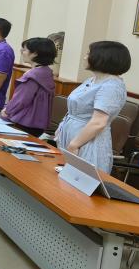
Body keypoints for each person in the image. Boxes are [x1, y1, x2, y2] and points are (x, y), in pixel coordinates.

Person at [56, 41, 130, 173]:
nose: (85, 57)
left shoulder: (112, 86)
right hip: (73, 134)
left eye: (88, 54)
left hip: (87, 140)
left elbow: (98, 122)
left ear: (103, 58)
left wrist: (74, 145)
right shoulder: (92, 80)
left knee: (79, 179)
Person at [1, 37, 57, 137]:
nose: (21, 52)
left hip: (23, 123)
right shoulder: (47, 72)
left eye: (24, 49)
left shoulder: (33, 75)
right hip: (39, 125)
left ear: (35, 53)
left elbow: (21, 100)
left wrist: (7, 111)